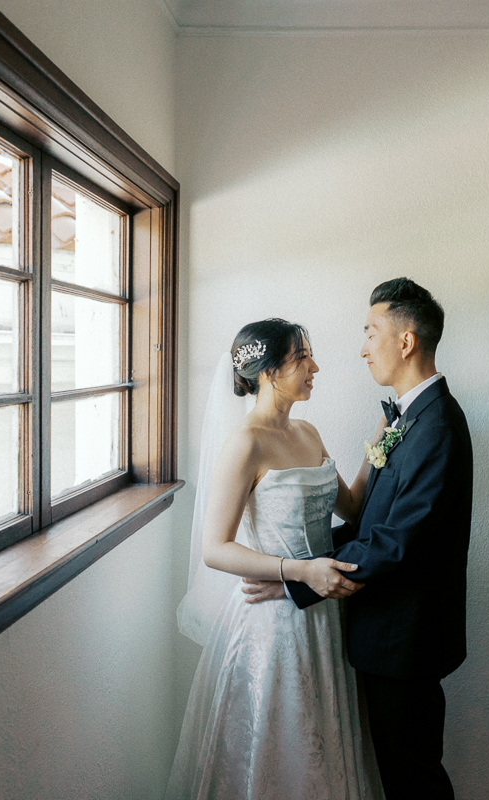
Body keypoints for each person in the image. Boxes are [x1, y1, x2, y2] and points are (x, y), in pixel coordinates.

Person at [245, 278, 473, 799]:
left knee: (413, 779)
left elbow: (394, 543)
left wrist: (297, 581)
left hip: (405, 640)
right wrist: (302, 560)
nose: (363, 348)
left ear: (406, 342)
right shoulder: (412, 417)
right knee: (396, 772)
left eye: (371, 332)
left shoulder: (436, 426)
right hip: (387, 636)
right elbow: (370, 522)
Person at [167, 318, 384, 800]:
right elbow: (215, 548)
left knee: (324, 741)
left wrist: (382, 438)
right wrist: (299, 572)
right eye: (302, 358)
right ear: (267, 372)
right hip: (273, 620)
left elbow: (351, 505)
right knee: (276, 746)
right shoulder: (246, 442)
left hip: (325, 615)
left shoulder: (308, 431)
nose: (315, 367)